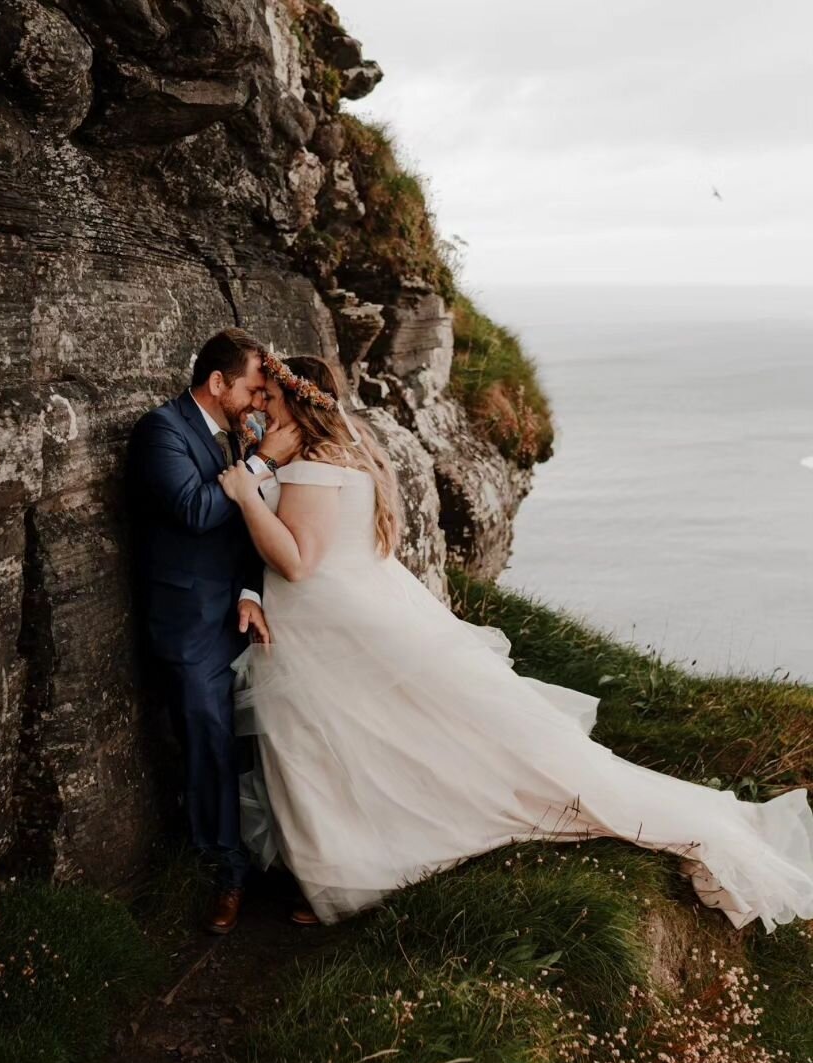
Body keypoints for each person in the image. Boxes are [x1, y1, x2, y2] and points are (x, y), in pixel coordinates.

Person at [218, 353, 813, 931]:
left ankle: (356, 871)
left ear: (298, 403)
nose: (259, 407)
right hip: (345, 616)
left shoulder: (312, 468)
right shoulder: (346, 456)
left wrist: (247, 492)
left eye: (269, 397)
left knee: (339, 744)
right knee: (360, 741)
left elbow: (297, 562)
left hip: (331, 623)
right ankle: (346, 864)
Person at [127, 327, 301, 934]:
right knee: (208, 739)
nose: (259, 402)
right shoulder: (161, 432)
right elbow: (200, 512)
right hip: (187, 622)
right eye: (253, 388)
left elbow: (244, 527)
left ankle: (280, 852)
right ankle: (224, 873)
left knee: (267, 734)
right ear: (217, 382)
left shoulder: (233, 436)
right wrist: (264, 460)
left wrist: (252, 591)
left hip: (237, 609)